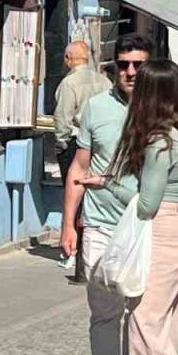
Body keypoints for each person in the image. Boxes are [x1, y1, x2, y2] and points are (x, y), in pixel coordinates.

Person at [78, 59, 178, 355]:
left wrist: (107, 184)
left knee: (144, 323)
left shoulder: (159, 142)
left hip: (162, 233)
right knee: (166, 322)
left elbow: (147, 204)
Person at [61, 33, 151, 355]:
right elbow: (79, 166)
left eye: (138, 65)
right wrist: (68, 225)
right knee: (104, 312)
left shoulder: (160, 108)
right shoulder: (96, 107)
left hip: (145, 226)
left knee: (141, 313)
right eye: (124, 65)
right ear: (114, 68)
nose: (130, 72)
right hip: (100, 225)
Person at [53, 40, 112, 273]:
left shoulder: (69, 83)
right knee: (98, 193)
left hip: (77, 143)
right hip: (103, 144)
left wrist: (61, 143)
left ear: (68, 59)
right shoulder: (104, 81)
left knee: (75, 193)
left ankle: (73, 248)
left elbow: (62, 118)